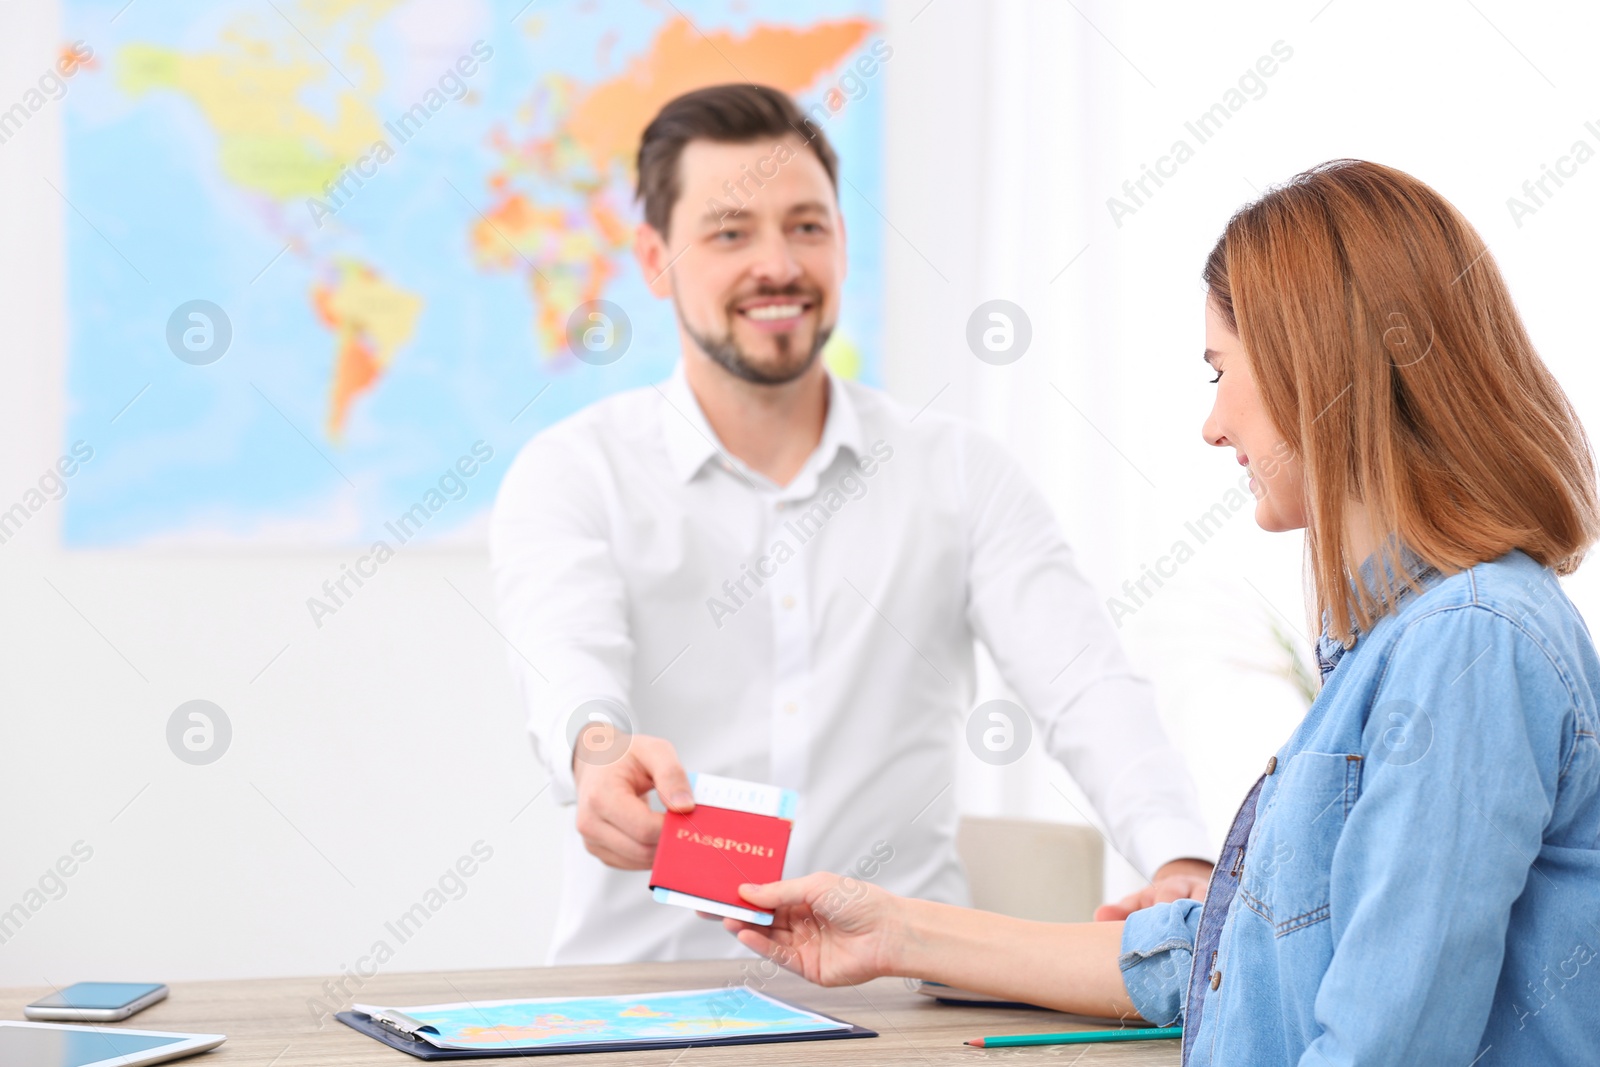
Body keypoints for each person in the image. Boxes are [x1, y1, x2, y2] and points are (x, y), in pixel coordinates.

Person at [715, 160, 1600, 1065]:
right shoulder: (1410, 644)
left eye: (1220, 371)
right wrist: (891, 933)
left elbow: (1384, 1046)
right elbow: (1227, 960)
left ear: (1317, 363)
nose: (1214, 425)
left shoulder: (1469, 647)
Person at [489, 83, 1213, 964]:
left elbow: (1084, 682)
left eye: (806, 226)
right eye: (729, 232)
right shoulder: (576, 472)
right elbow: (568, 660)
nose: (779, 264)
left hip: (903, 998)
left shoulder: (957, 469)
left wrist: (1179, 854)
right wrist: (594, 753)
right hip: (643, 999)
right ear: (654, 259)